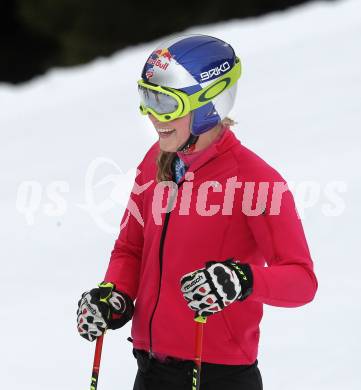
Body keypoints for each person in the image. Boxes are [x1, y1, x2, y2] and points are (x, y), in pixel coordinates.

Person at [77, 34, 318, 390]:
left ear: (209, 104)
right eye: (147, 98)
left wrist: (242, 280)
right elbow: (131, 249)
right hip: (150, 372)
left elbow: (302, 281)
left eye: (166, 103)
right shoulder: (153, 164)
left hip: (216, 376)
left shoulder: (255, 180)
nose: (154, 116)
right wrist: (116, 295)